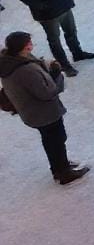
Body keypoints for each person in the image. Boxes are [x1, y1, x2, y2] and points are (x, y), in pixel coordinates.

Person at [0, 30, 88, 184]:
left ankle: (59, 167)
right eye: (29, 42)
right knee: (57, 139)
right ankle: (64, 173)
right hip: (43, 112)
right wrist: (56, 73)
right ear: (24, 47)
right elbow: (46, 93)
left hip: (32, 112)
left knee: (50, 140)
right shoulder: (24, 70)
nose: (31, 45)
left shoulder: (11, 62)